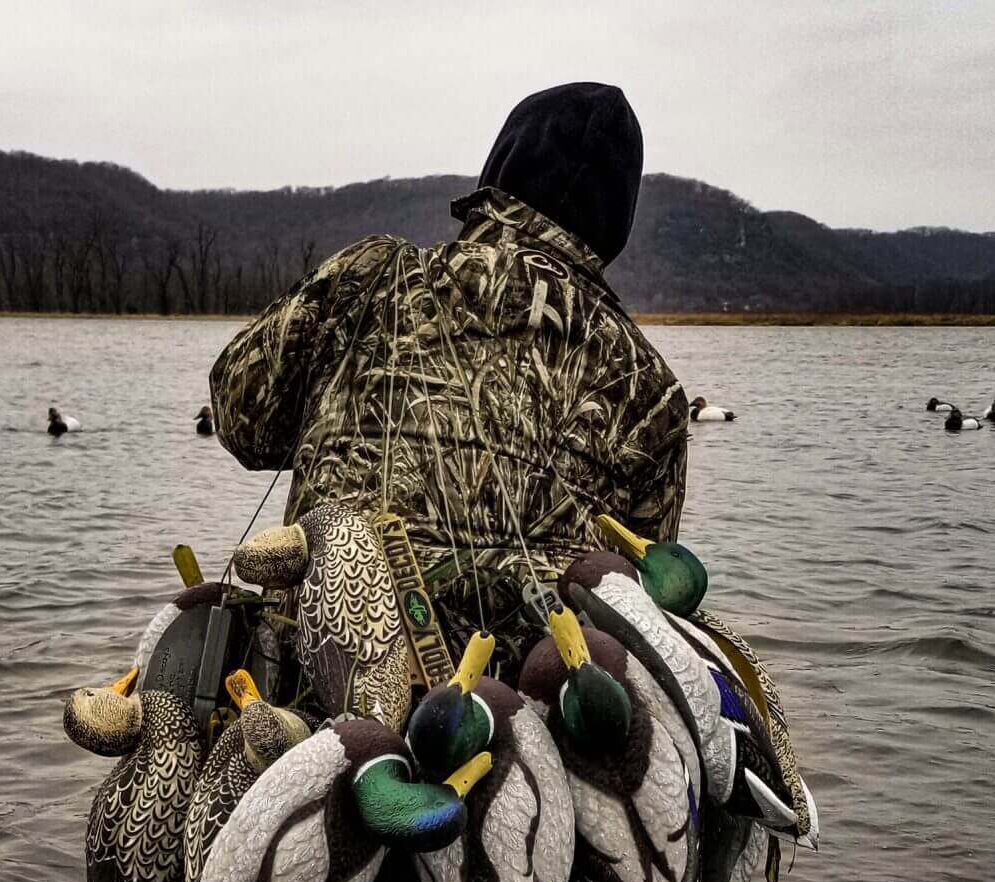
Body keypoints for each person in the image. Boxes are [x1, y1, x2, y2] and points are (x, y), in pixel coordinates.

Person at [209, 82, 687, 669]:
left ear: (502, 168)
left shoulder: (373, 275)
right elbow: (642, 590)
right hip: (526, 708)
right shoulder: (652, 387)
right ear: (618, 218)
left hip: (311, 669)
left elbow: (241, 422)